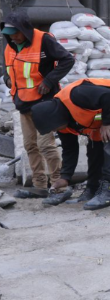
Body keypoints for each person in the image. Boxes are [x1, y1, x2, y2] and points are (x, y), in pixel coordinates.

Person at [30, 78, 110, 210]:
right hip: (104, 110)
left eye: (52, 127)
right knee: (94, 146)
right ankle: (93, 189)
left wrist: (107, 122)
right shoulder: (63, 122)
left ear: (54, 118)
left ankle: (109, 191)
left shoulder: (76, 95)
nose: (54, 131)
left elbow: (108, 95)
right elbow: (70, 149)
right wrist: (65, 177)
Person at [2, 11, 74, 200]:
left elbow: (67, 59)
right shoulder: (9, 46)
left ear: (25, 29)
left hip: (44, 103)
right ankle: (39, 186)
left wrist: (49, 81)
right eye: (9, 34)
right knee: (30, 146)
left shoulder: (43, 40)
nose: (13, 37)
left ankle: (59, 186)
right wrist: (7, 79)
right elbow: (7, 68)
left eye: (16, 33)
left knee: (45, 145)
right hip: (23, 103)